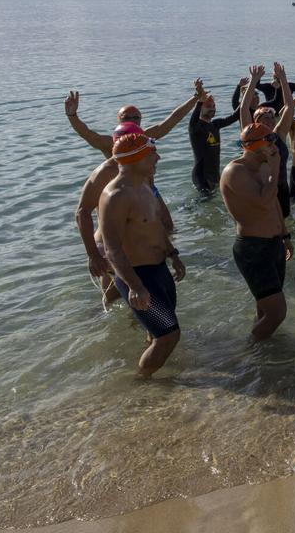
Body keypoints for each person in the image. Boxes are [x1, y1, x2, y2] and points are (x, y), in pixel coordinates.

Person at [97, 134, 184, 376]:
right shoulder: (115, 196)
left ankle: (158, 381)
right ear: (135, 159)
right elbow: (112, 249)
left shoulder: (144, 186)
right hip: (138, 276)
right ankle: (142, 384)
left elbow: (155, 227)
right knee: (169, 335)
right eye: (152, 154)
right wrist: (135, 286)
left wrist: (173, 253)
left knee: (157, 333)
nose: (158, 158)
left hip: (159, 271)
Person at [75, 122, 176, 307]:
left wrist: (166, 224)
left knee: (128, 291)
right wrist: (92, 255)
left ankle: (115, 321)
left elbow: (152, 195)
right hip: (107, 245)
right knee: (131, 290)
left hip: (131, 239)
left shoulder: (141, 168)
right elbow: (82, 213)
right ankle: (110, 314)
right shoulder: (106, 172)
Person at [220, 123, 293, 340]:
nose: (274, 146)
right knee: (277, 312)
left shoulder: (263, 167)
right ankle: (251, 349)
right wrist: (276, 166)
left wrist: (285, 234)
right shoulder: (235, 171)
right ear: (254, 147)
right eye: (269, 142)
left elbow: (274, 204)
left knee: (265, 308)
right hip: (253, 248)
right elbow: (263, 202)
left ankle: (262, 356)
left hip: (274, 244)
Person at [65, 81, 203, 158]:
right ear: (119, 120)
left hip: (146, 189)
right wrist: (72, 115)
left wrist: (196, 96)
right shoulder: (110, 144)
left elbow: (174, 117)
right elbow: (86, 133)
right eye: (126, 117)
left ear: (141, 120)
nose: (132, 120)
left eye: (136, 117)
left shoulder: (146, 136)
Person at [239, 64, 294, 218]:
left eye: (272, 117)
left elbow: (289, 106)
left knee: (286, 225)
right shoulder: (252, 135)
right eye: (264, 118)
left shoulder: (279, 134)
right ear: (255, 121)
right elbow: (244, 109)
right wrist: (254, 80)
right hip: (260, 189)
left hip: (282, 188)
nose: (270, 121)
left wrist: (283, 79)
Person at [188, 92, 241, 196]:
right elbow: (194, 118)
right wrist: (199, 101)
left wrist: (244, 93)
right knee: (205, 200)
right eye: (208, 106)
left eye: (214, 106)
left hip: (215, 175)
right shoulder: (195, 128)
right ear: (200, 109)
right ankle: (186, 210)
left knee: (213, 201)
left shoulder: (215, 125)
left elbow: (235, 116)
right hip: (202, 176)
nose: (212, 108)